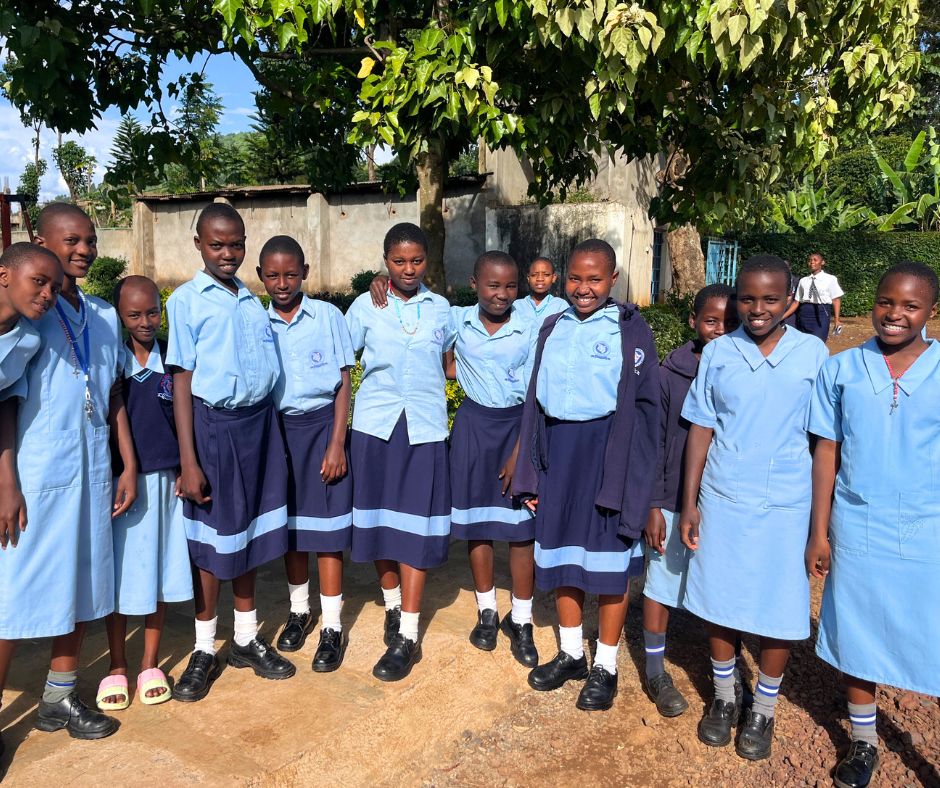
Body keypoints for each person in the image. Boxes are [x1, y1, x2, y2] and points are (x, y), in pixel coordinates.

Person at [679, 254, 829, 760]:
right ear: (736, 299)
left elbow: (824, 442)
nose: (757, 308)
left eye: (770, 299)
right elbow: (701, 428)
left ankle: (763, 706)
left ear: (790, 302)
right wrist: (690, 501)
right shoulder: (720, 352)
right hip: (723, 496)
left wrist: (818, 529)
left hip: (787, 502)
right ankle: (724, 697)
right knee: (718, 599)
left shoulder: (813, 355)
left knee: (779, 608)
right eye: (747, 298)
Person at [0, 203, 137, 747]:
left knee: (79, 584)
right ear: (40, 240)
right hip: (36, 475)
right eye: (71, 240)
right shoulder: (31, 315)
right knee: (13, 593)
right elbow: (5, 400)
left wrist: (128, 462)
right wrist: (6, 479)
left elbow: (114, 392)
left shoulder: (102, 316)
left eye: (90, 240)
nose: (83, 250)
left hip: (93, 470)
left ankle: (58, 697)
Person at [806, 262, 940, 788]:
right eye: (887, 302)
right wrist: (819, 531)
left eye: (910, 306)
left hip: (928, 525)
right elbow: (826, 452)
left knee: (929, 629)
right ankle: (863, 743)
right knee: (856, 630)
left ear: (930, 312)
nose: (895, 314)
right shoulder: (841, 369)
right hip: (858, 521)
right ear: (871, 303)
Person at [513, 239, 660, 712]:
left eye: (594, 279)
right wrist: (529, 471)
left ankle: (607, 664)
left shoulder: (630, 329)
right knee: (561, 557)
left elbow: (645, 407)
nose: (583, 287)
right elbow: (535, 399)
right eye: (575, 277)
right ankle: (573, 653)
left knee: (608, 560)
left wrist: (637, 478)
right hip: (559, 451)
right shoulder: (551, 326)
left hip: (606, 453)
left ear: (612, 279)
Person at [166, 203, 294, 702]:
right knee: (212, 542)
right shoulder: (186, 301)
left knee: (250, 536)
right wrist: (190, 459)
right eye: (217, 244)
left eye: (236, 244)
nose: (227, 253)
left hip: (258, 425)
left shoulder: (249, 298)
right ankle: (203, 648)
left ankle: (244, 638)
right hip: (214, 429)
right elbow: (181, 379)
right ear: (198, 244)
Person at [345, 222, 455, 682]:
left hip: (425, 431)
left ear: (427, 261)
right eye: (398, 261)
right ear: (385, 261)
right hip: (375, 427)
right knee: (377, 523)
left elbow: (452, 363)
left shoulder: (443, 309)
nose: (408, 269)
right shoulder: (364, 306)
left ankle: (408, 634)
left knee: (414, 530)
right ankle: (391, 602)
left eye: (416, 261)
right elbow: (342, 361)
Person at [258, 236, 355, 672]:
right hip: (279, 431)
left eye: (291, 274)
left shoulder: (328, 317)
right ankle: (300, 610)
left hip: (321, 429)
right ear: (261, 276)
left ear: (305, 273)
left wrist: (337, 442)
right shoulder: (257, 323)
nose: (283, 283)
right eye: (274, 275)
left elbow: (343, 381)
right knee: (291, 528)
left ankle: (332, 625)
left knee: (328, 531)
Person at [97, 276, 193, 710]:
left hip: (167, 483)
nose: (146, 321)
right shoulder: (111, 364)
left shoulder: (174, 359)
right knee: (119, 579)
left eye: (152, 311)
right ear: (120, 317)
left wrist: (185, 468)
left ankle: (150, 663)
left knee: (158, 572)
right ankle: (116, 664)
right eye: (134, 315)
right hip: (125, 486)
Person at [642, 283, 736, 717]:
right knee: (661, 583)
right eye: (711, 321)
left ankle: (726, 682)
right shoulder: (669, 373)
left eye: (728, 322)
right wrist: (654, 506)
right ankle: (656, 668)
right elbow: (655, 443)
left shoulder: (743, 367)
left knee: (721, 586)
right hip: (673, 496)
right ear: (693, 322)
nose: (719, 330)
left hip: (726, 499)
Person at [448, 251, 539, 666]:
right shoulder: (455, 320)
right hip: (472, 427)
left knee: (521, 529)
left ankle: (521, 619)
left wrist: (521, 451)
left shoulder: (532, 326)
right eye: (493, 285)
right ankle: (486, 611)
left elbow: (538, 390)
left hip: (517, 428)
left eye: (510, 286)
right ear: (474, 283)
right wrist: (380, 280)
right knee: (477, 525)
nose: (502, 294)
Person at [0, 242, 63, 391]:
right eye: (39, 281)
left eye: (55, 290)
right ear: (3, 276)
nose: (47, 295)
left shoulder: (29, 342)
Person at [783, 252, 843, 341]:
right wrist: (782, 317)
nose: (812, 262)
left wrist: (837, 319)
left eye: (815, 260)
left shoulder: (830, 279)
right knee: (804, 342)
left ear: (822, 262)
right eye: (810, 260)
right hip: (804, 313)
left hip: (821, 313)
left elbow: (836, 300)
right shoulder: (803, 281)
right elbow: (796, 302)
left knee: (818, 340)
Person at [514, 257, 568, 325]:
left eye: (546, 275)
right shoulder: (517, 306)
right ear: (528, 278)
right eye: (534, 275)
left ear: (553, 278)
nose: (540, 279)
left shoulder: (560, 305)